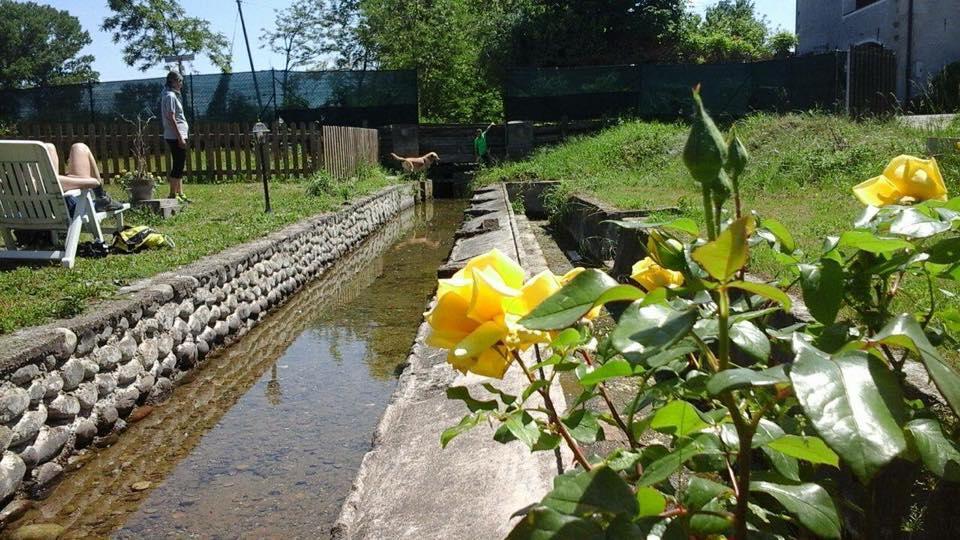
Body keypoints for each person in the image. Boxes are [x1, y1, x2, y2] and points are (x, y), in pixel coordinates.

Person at [44, 142, 123, 213]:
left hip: (41, 206)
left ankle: (101, 197)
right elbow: (49, 183)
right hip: (64, 209)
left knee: (49, 147)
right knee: (80, 148)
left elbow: (48, 181)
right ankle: (101, 196)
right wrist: (93, 183)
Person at [160, 71, 190, 202]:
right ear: (173, 81)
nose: (181, 84)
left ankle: (180, 192)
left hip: (178, 134)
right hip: (175, 135)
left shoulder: (171, 95)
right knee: (178, 164)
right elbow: (171, 117)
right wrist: (180, 137)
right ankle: (172, 194)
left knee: (180, 163)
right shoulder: (170, 96)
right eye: (180, 81)